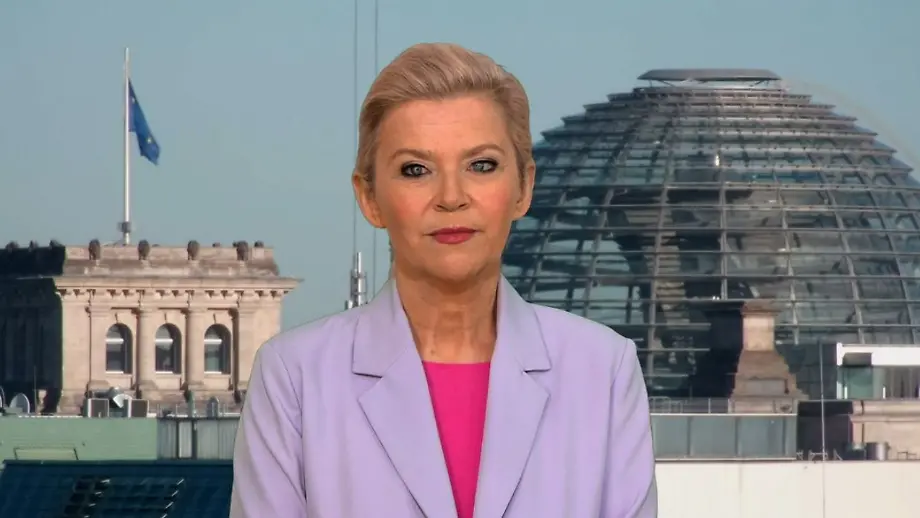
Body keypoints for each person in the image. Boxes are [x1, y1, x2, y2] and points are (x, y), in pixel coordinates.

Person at [230, 42, 657, 518]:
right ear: (369, 198)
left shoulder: (603, 371)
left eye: (481, 165)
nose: (451, 196)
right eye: (416, 170)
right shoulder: (294, 378)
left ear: (524, 187)